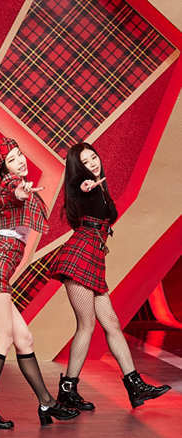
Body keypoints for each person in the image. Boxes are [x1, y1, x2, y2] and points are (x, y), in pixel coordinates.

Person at [0, 137, 79, 428]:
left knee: (24, 339)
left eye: (20, 155)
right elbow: (12, 193)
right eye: (12, 159)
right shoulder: (10, 184)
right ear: (4, 168)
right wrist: (21, 190)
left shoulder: (3, 190)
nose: (20, 161)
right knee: (2, 340)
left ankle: (46, 402)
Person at [48, 142, 171, 410]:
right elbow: (76, 189)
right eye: (85, 162)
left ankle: (135, 386)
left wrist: (93, 187)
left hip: (93, 259)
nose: (93, 164)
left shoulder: (101, 188)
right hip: (79, 258)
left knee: (112, 324)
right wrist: (83, 186)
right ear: (78, 169)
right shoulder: (86, 186)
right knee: (86, 325)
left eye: (94, 158)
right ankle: (68, 390)